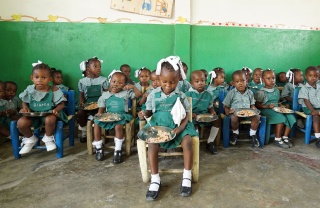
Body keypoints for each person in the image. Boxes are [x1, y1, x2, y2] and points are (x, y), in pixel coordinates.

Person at [138, 56, 198, 201]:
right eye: (164, 82)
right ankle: (155, 179)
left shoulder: (181, 95)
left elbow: (185, 116)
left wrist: (179, 129)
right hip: (158, 126)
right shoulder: (153, 95)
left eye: (172, 82)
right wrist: (143, 115)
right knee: (152, 143)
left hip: (179, 126)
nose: (168, 85)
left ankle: (186, 176)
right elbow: (149, 113)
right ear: (158, 79)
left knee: (188, 141)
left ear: (178, 79)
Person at [17, 61, 68, 154]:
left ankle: (48, 138)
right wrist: (25, 108)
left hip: (49, 114)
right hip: (33, 114)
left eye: (43, 77)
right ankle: (30, 138)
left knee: (50, 119)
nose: (39, 80)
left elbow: (62, 104)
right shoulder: (30, 89)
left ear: (49, 79)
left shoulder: (54, 89)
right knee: (21, 123)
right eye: (36, 77)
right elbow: (24, 101)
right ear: (32, 78)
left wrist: (55, 110)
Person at [92, 71, 141, 162]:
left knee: (118, 126)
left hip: (122, 115)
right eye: (113, 81)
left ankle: (118, 150)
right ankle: (99, 147)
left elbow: (138, 95)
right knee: (96, 123)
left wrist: (133, 87)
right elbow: (102, 107)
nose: (115, 84)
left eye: (120, 83)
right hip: (108, 116)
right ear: (110, 82)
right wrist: (99, 114)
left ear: (124, 84)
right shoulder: (105, 95)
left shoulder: (126, 93)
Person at [255, 69, 296, 148]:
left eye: (273, 78)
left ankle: (285, 137)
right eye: (268, 78)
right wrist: (267, 106)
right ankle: (277, 139)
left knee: (290, 116)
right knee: (280, 118)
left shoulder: (276, 90)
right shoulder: (261, 92)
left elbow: (277, 102)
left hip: (276, 109)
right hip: (266, 110)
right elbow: (257, 105)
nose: (271, 80)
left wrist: (281, 106)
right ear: (263, 80)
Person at [223, 70, 260, 147]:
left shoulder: (250, 93)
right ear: (233, 83)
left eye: (243, 80)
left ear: (247, 81)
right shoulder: (231, 93)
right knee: (233, 118)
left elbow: (252, 104)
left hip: (247, 113)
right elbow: (226, 105)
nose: (240, 83)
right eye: (237, 81)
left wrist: (253, 108)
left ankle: (253, 135)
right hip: (235, 113)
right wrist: (227, 111)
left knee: (257, 117)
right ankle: (235, 133)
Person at [185, 70, 219, 154]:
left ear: (205, 81)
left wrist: (212, 111)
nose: (200, 83)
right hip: (193, 117)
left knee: (217, 121)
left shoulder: (209, 94)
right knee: (194, 126)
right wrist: (190, 113)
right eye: (197, 81)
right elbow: (184, 108)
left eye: (202, 81)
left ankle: (210, 142)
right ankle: (195, 144)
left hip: (204, 116)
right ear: (191, 83)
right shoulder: (188, 94)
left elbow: (210, 105)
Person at [77, 57, 108, 143]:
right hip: (88, 104)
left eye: (100, 66)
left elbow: (106, 94)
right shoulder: (82, 81)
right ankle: (84, 132)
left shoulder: (103, 80)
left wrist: (104, 104)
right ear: (88, 69)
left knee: (101, 114)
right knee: (80, 113)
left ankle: (102, 133)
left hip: (101, 104)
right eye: (95, 66)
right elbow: (81, 95)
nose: (98, 68)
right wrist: (82, 103)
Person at [298, 66, 320, 148]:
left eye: (315, 76)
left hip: (318, 107)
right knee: (316, 116)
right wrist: (312, 110)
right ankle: (318, 138)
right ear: (306, 77)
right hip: (308, 108)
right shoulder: (304, 88)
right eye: (310, 76)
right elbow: (306, 100)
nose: (313, 78)